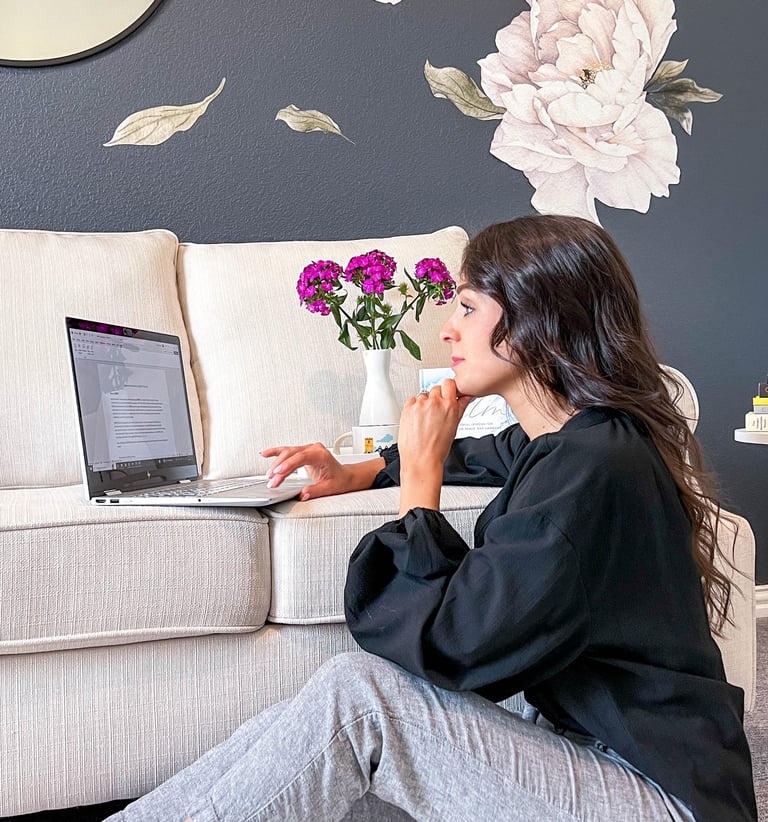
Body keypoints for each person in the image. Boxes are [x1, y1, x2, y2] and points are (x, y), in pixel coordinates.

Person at [108, 215, 756, 822]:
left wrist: (418, 486)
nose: (448, 328)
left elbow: (452, 644)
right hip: (625, 764)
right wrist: (357, 469)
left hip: (658, 799)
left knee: (363, 699)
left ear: (537, 323)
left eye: (469, 308)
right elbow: (485, 452)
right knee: (336, 714)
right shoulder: (586, 440)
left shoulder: (587, 471)